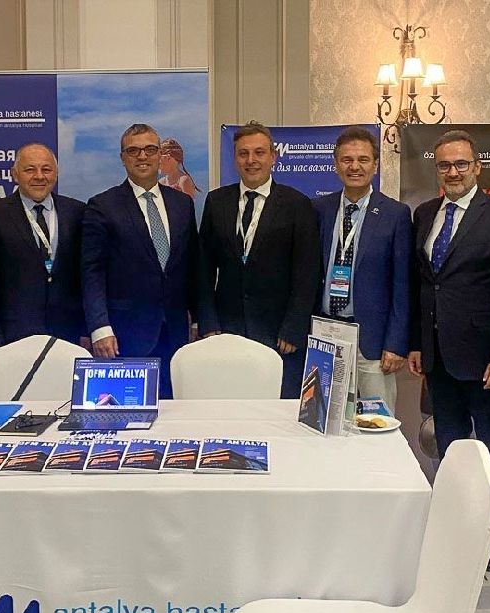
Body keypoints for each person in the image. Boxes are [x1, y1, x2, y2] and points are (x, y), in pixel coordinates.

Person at [408, 129, 490, 572]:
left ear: (477, 168)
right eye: (445, 165)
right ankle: (457, 525)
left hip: (487, 362)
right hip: (439, 357)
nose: (453, 171)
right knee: (451, 447)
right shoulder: (425, 214)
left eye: (461, 164)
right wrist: (417, 344)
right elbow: (424, 286)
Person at [197, 121, 321, 398]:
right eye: (243, 153)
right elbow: (203, 269)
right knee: (229, 405)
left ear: (273, 157)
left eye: (259, 152)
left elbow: (307, 273)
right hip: (226, 332)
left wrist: (293, 327)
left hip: (278, 334)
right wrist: (208, 323)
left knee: (276, 409)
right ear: (235, 158)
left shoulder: (297, 204)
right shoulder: (216, 202)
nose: (251, 160)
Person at [81, 123, 198, 399]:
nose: (142, 156)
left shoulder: (182, 204)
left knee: (176, 412)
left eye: (150, 149)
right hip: (123, 337)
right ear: (123, 157)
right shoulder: (102, 206)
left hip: (176, 334)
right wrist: (99, 328)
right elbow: (91, 273)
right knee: (126, 412)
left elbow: (193, 267)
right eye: (133, 150)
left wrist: (198, 321)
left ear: (160, 155)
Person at [313, 125, 412, 411]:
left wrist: (396, 343)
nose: (354, 167)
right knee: (323, 419)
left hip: (372, 341)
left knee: (376, 423)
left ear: (375, 165)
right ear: (336, 165)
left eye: (363, 160)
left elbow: (403, 285)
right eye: (347, 160)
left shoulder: (395, 214)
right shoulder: (318, 209)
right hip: (325, 334)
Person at [0, 143, 87, 355]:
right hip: (12, 336)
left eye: (46, 169)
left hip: (67, 334)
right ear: (15, 174)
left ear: (56, 173)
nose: (39, 176)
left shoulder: (77, 212)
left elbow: (86, 276)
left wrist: (86, 330)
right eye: (30, 169)